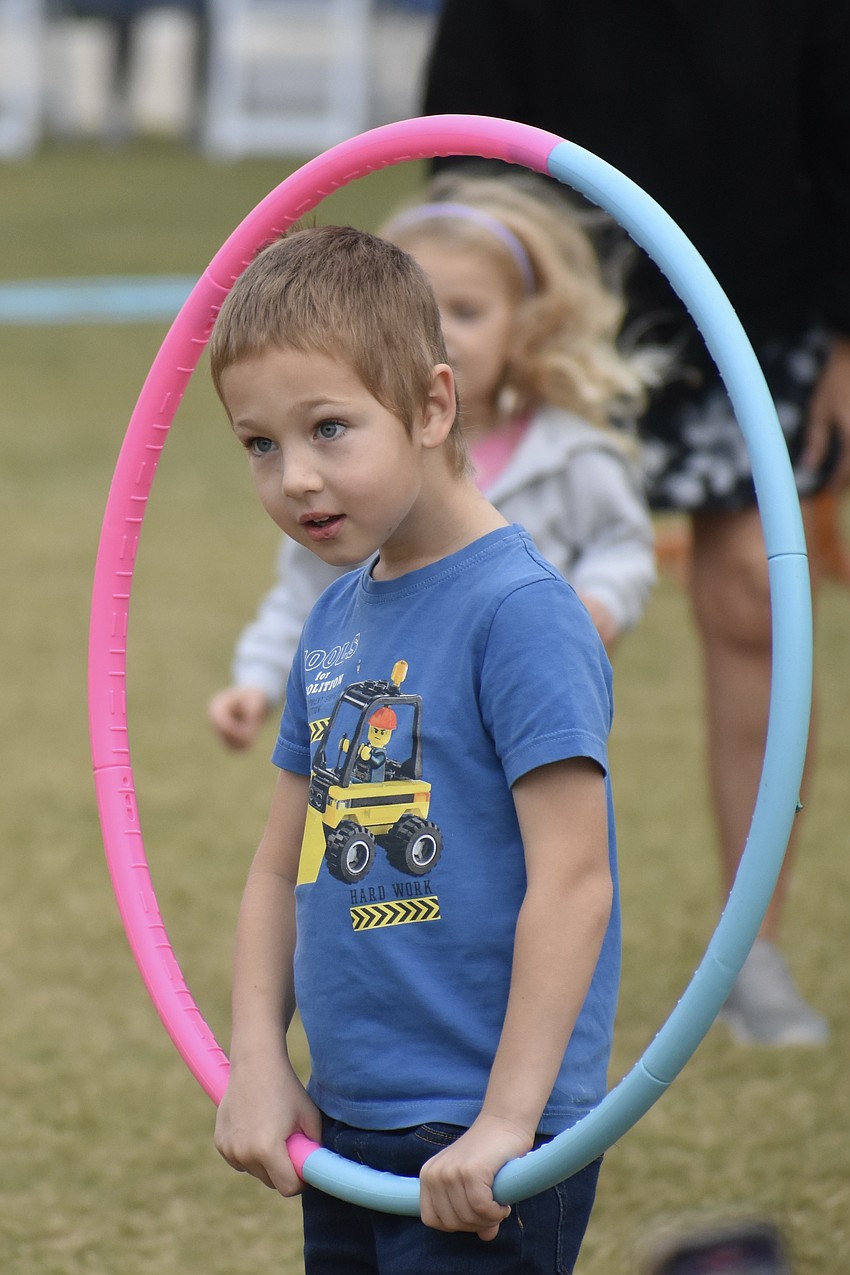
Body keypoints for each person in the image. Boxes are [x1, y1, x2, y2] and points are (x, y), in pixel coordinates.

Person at [423, 0, 850, 1047]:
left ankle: (753, 946)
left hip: (757, 316)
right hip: (558, 323)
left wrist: (845, 334)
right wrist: (478, 317)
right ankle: (475, 939)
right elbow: (462, 147)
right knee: (492, 614)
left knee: (756, 591)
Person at [210, 223, 619, 1271]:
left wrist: (504, 1125)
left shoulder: (520, 612)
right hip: (348, 1121)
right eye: (260, 443)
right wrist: (257, 1056)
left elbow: (574, 883)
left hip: (485, 1136)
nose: (295, 477)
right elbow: (278, 862)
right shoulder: (334, 619)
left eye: (329, 428)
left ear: (433, 406)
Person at [208, 172, 656, 749]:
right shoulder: (339, 488)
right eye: (421, 312)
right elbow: (304, 598)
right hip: (395, 732)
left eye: (466, 311)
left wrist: (599, 602)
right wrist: (257, 680)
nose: (438, 333)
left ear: (523, 324)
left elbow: (623, 545)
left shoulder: (568, 454)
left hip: (523, 707)